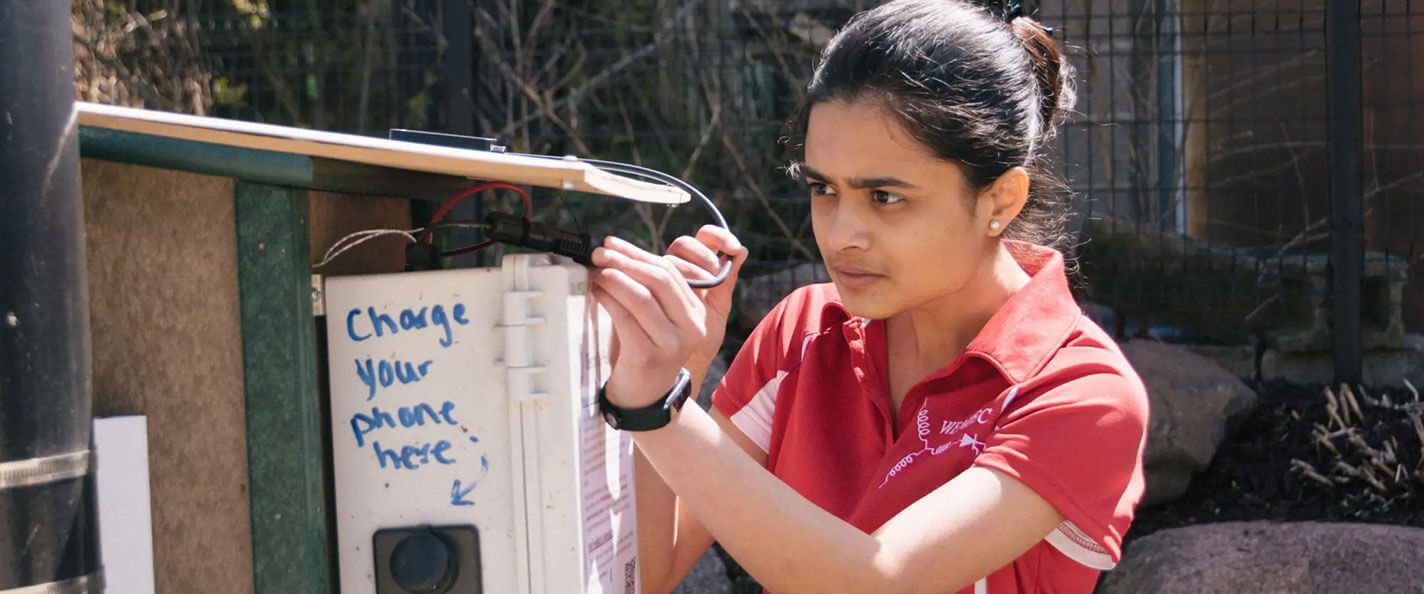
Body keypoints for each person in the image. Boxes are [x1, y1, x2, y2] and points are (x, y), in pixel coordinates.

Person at [587, 0, 1149, 592]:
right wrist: (681, 368)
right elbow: (648, 574)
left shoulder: (1083, 392)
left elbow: (877, 579)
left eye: (884, 196)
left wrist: (660, 411)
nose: (838, 235)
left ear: (1001, 200)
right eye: (822, 187)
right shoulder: (800, 331)